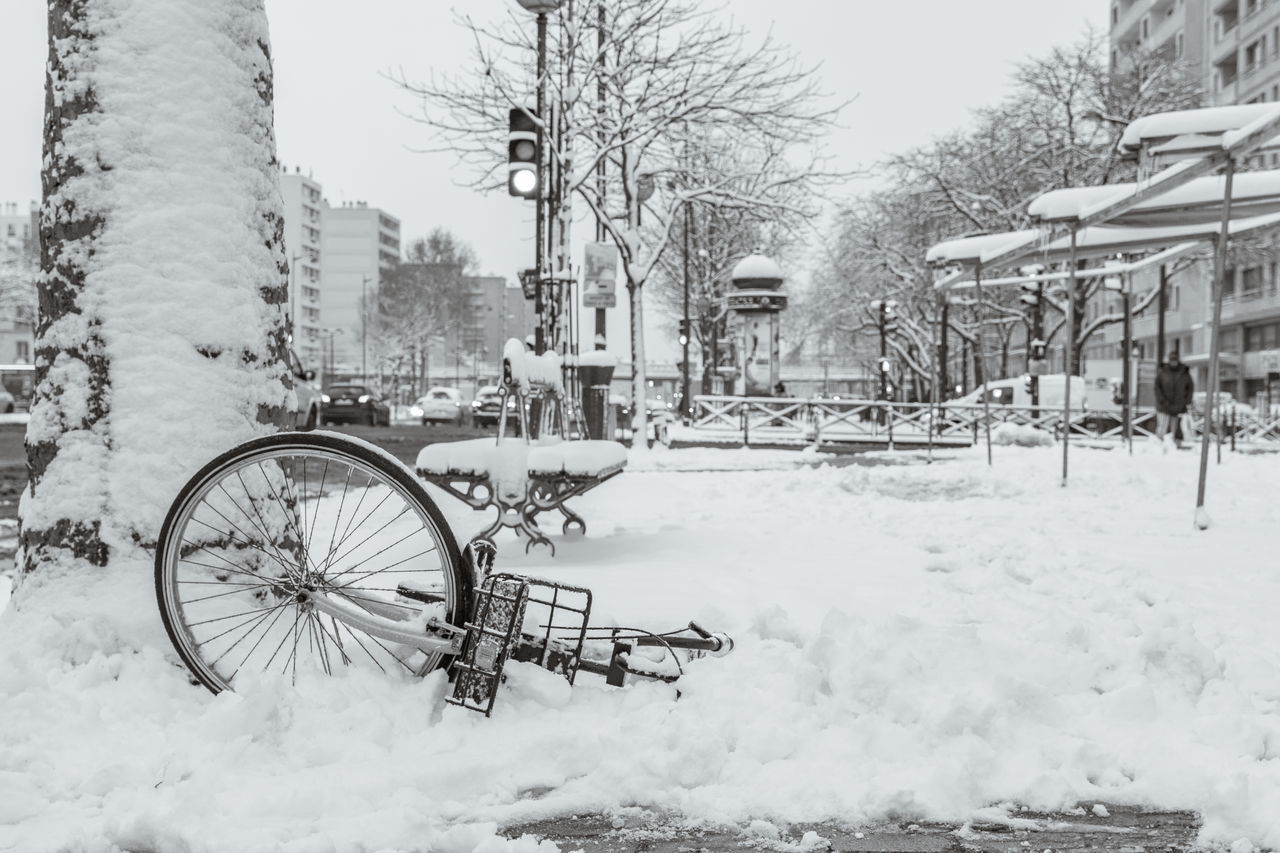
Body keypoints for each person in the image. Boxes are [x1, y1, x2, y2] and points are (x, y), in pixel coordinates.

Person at [1154, 351, 1194, 449]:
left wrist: (1186, 402)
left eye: (1175, 359)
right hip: (1164, 406)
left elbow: (1190, 389)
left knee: (1176, 428)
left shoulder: (1184, 373)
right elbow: (1157, 388)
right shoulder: (1162, 372)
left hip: (1179, 406)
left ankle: (1176, 445)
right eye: (1172, 359)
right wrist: (1162, 401)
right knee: (1162, 427)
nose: (1173, 362)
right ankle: (1158, 446)